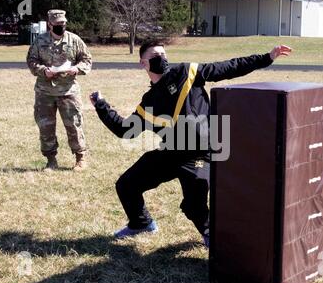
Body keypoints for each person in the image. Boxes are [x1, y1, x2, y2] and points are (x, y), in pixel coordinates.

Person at [90, 39, 292, 247]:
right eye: (156, 56)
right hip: (172, 152)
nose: (163, 58)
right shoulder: (149, 101)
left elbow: (228, 68)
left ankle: (210, 234)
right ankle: (141, 223)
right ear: (143, 63)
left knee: (194, 201)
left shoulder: (187, 72)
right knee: (126, 184)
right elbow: (125, 130)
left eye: (164, 54)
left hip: (201, 152)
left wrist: (266, 58)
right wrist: (101, 106)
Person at [27, 9, 92, 171]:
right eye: (57, 24)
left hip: (68, 92)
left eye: (63, 24)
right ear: (49, 24)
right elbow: (31, 60)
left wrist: (77, 69)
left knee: (74, 125)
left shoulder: (74, 40)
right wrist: (43, 70)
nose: (61, 27)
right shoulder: (39, 41)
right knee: (46, 127)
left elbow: (86, 59)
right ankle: (51, 160)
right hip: (45, 92)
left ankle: (80, 158)